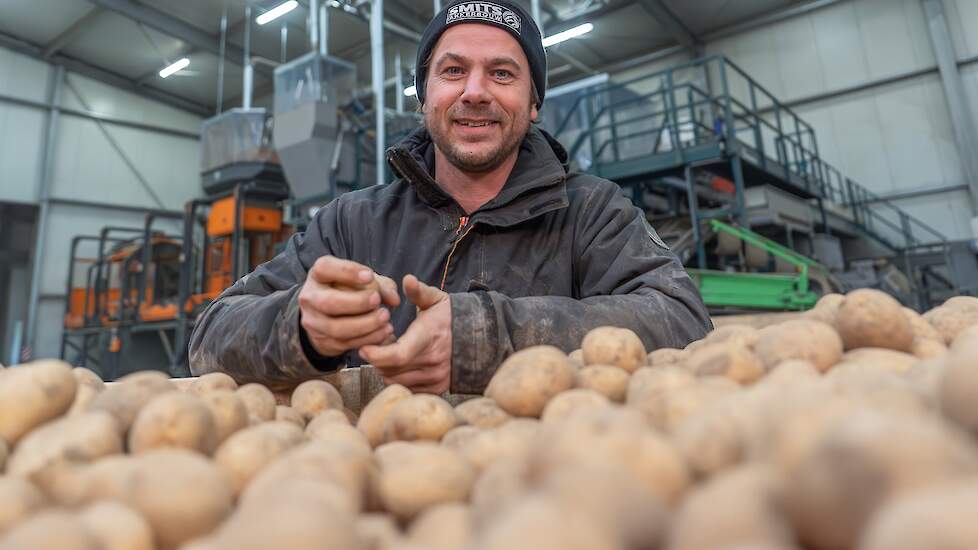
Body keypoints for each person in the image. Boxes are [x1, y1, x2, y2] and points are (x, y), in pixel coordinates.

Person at [189, 0, 712, 394]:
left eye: (502, 73)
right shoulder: (352, 223)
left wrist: (487, 334)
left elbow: (683, 320)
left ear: (533, 102)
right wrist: (301, 330)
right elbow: (210, 336)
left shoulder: (590, 212)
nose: (475, 92)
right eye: (453, 71)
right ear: (425, 96)